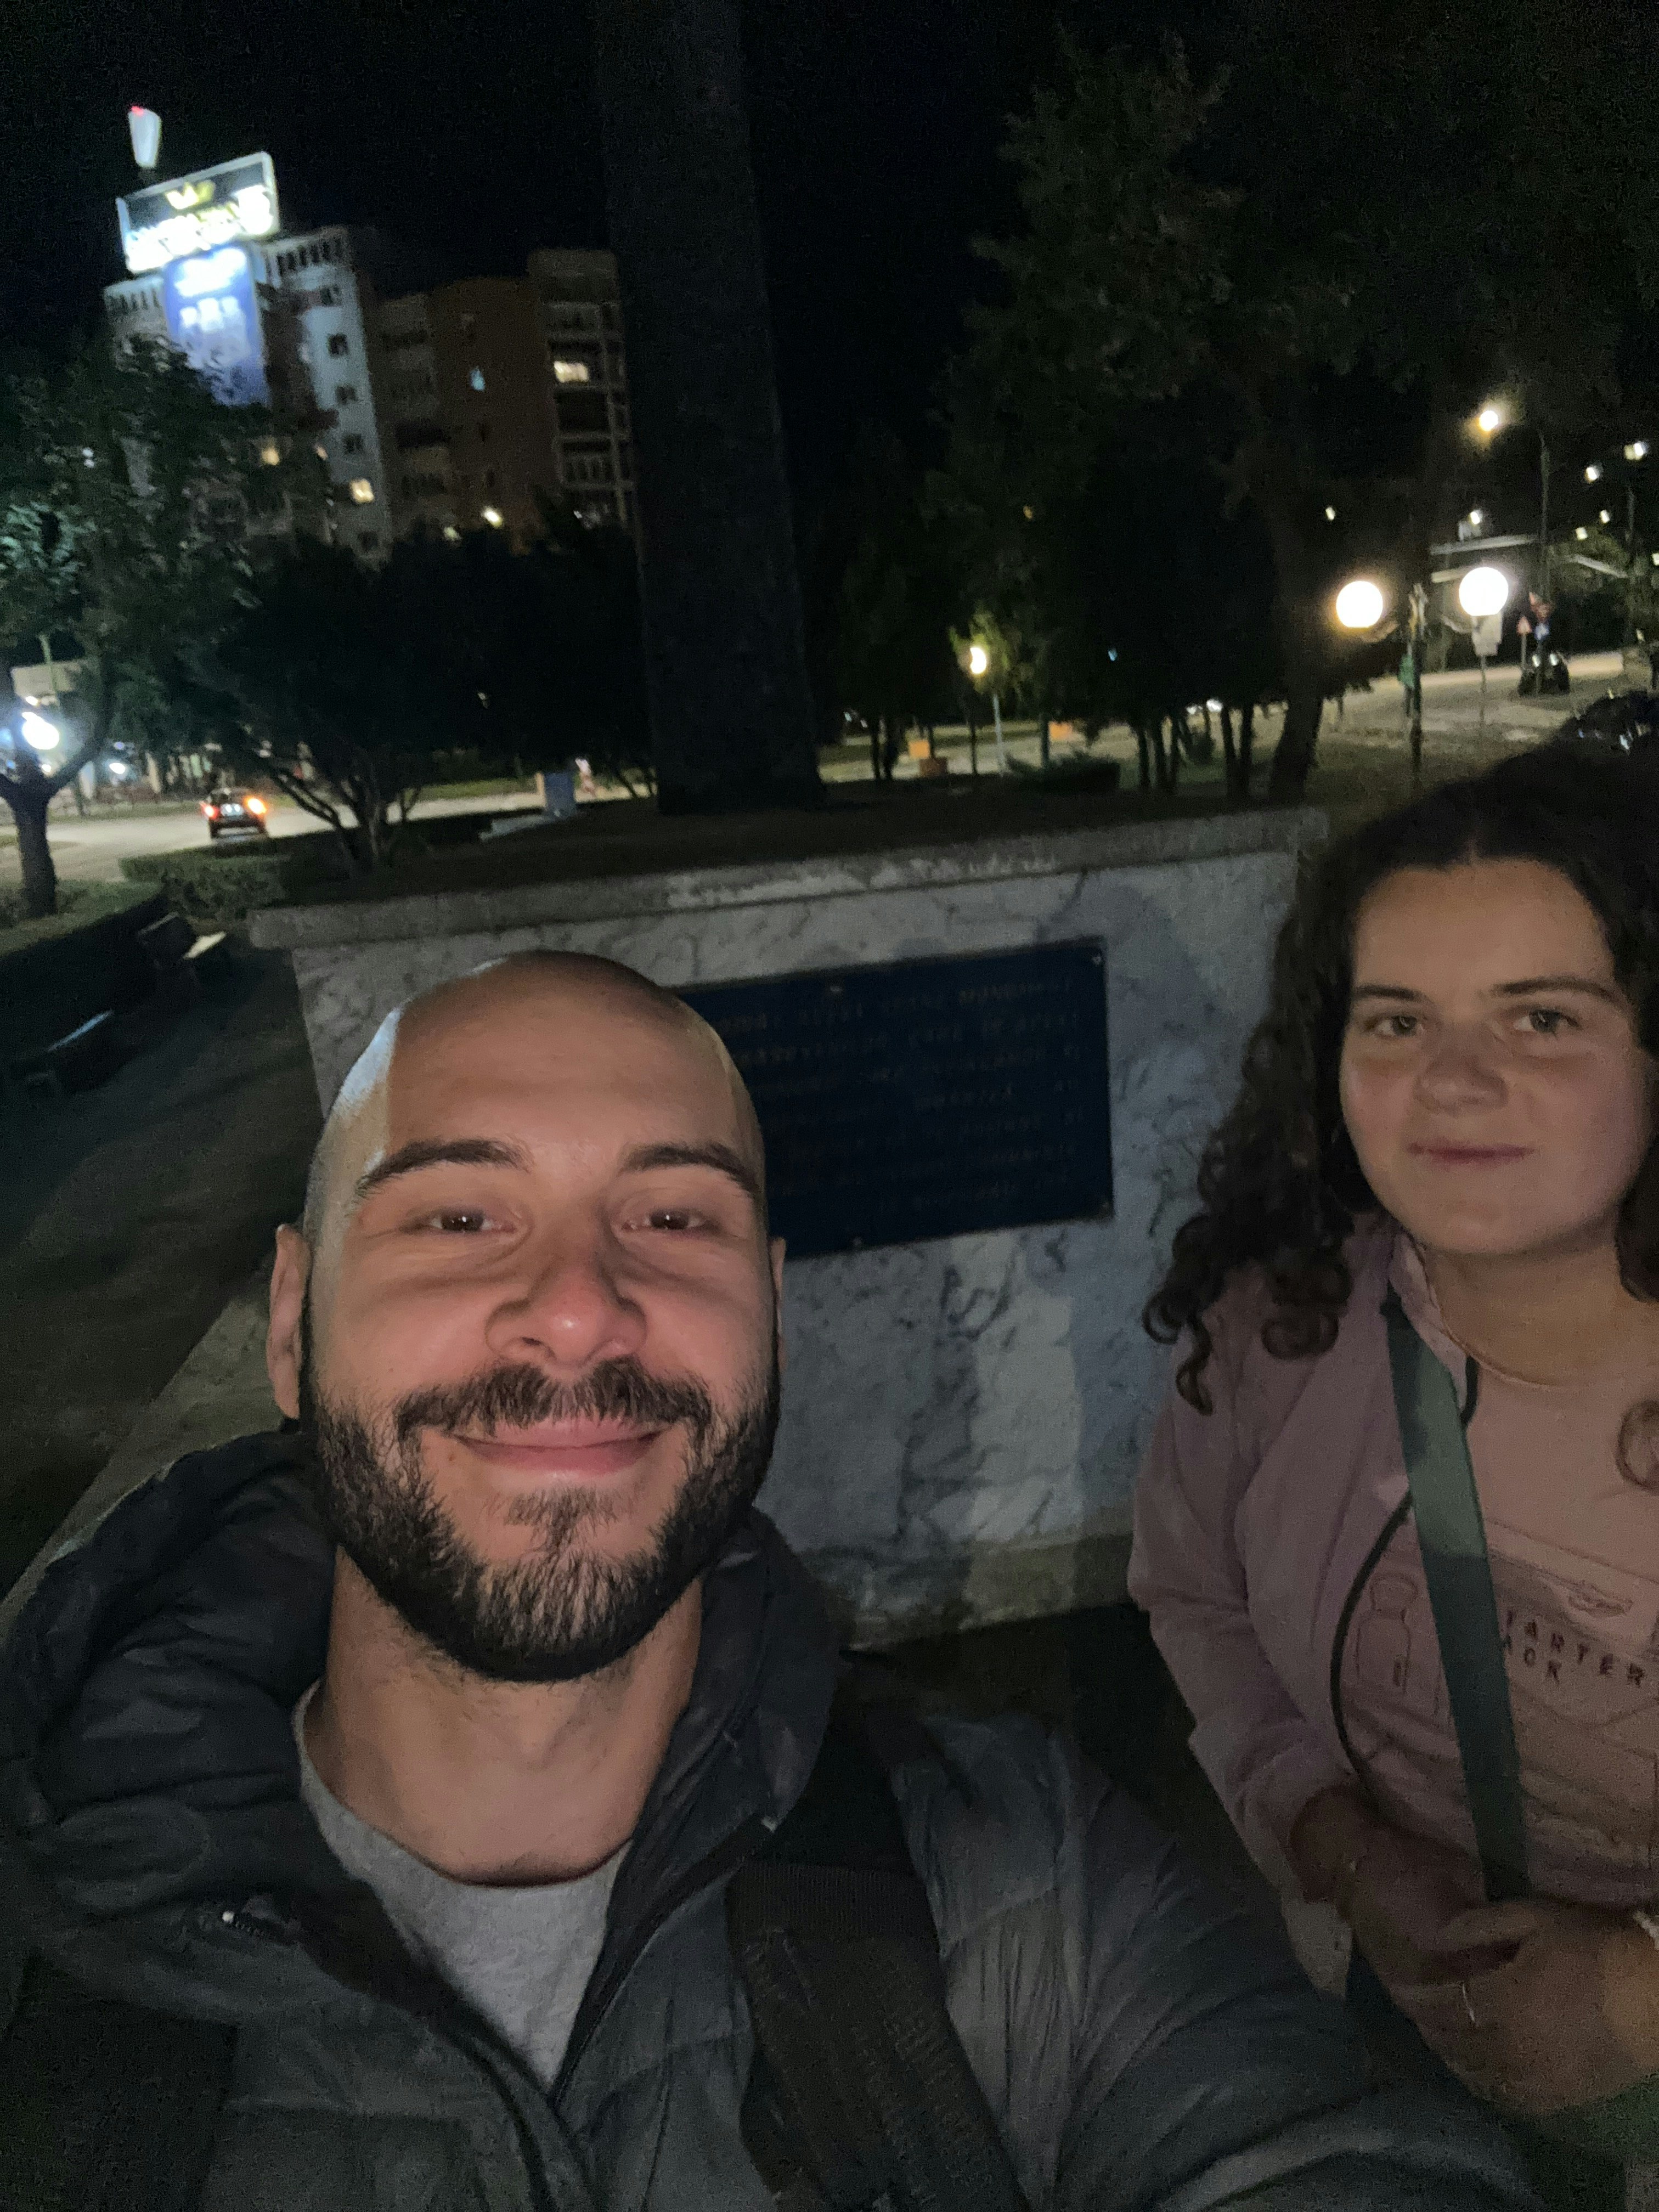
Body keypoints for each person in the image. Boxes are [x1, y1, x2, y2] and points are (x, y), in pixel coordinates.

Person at [0, 952, 1534, 2210]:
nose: (580, 1312)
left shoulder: (1016, 1877)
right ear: (291, 1320)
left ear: (774, 1317)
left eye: (673, 1218)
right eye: (458, 1217)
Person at [1130, 745, 1659, 2203]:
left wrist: (1632, 1996)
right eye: (1398, 1020)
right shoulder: (1283, 1333)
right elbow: (1197, 1596)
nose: (1458, 1081)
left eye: (1543, 1016)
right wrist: (1338, 1840)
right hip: (1396, 2036)